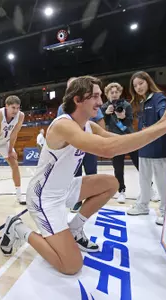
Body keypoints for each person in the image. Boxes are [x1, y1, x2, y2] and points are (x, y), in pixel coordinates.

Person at [0, 75, 166, 275]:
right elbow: (108, 149)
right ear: (78, 100)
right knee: (71, 266)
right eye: (95, 96)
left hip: (65, 189)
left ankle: (75, 229)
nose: (101, 101)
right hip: (44, 198)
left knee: (111, 184)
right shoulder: (63, 125)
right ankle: (17, 228)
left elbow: (120, 141)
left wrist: (163, 121)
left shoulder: (89, 125)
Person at [57, 77, 106, 213]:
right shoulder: (62, 109)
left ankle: (92, 200)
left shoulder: (91, 104)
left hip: (89, 146)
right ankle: (77, 201)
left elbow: (100, 121)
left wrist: (99, 140)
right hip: (73, 149)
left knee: (92, 173)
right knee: (75, 176)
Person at [126, 71, 166, 226]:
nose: (138, 87)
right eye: (135, 85)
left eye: (141, 83)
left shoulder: (158, 97)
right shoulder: (141, 102)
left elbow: (164, 115)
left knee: (161, 182)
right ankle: (143, 205)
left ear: (148, 82)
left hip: (159, 149)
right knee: (144, 180)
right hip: (144, 148)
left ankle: (165, 211)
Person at [0, 96, 26, 209]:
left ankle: (19, 195)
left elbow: (14, 134)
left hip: (5, 142)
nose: (15, 111)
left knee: (15, 165)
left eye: (17, 108)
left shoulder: (20, 116)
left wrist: (11, 150)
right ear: (6, 106)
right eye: (13, 108)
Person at [101, 82, 138, 204]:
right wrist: (106, 114)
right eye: (112, 92)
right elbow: (102, 125)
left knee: (139, 165)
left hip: (129, 138)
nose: (114, 94)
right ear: (107, 94)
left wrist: (123, 117)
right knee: (118, 168)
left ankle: (149, 188)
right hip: (115, 139)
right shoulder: (104, 107)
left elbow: (130, 122)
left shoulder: (126, 105)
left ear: (120, 93)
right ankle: (121, 191)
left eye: (117, 92)